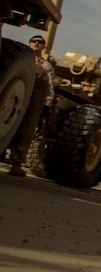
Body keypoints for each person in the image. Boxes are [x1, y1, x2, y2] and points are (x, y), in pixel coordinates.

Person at [7, 34, 54, 177]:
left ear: (43, 46)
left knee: (25, 132)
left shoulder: (45, 66)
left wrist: (47, 105)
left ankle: (16, 165)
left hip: (31, 102)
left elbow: (49, 87)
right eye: (34, 41)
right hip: (14, 97)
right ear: (29, 43)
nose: (37, 43)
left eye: (40, 42)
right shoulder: (19, 57)